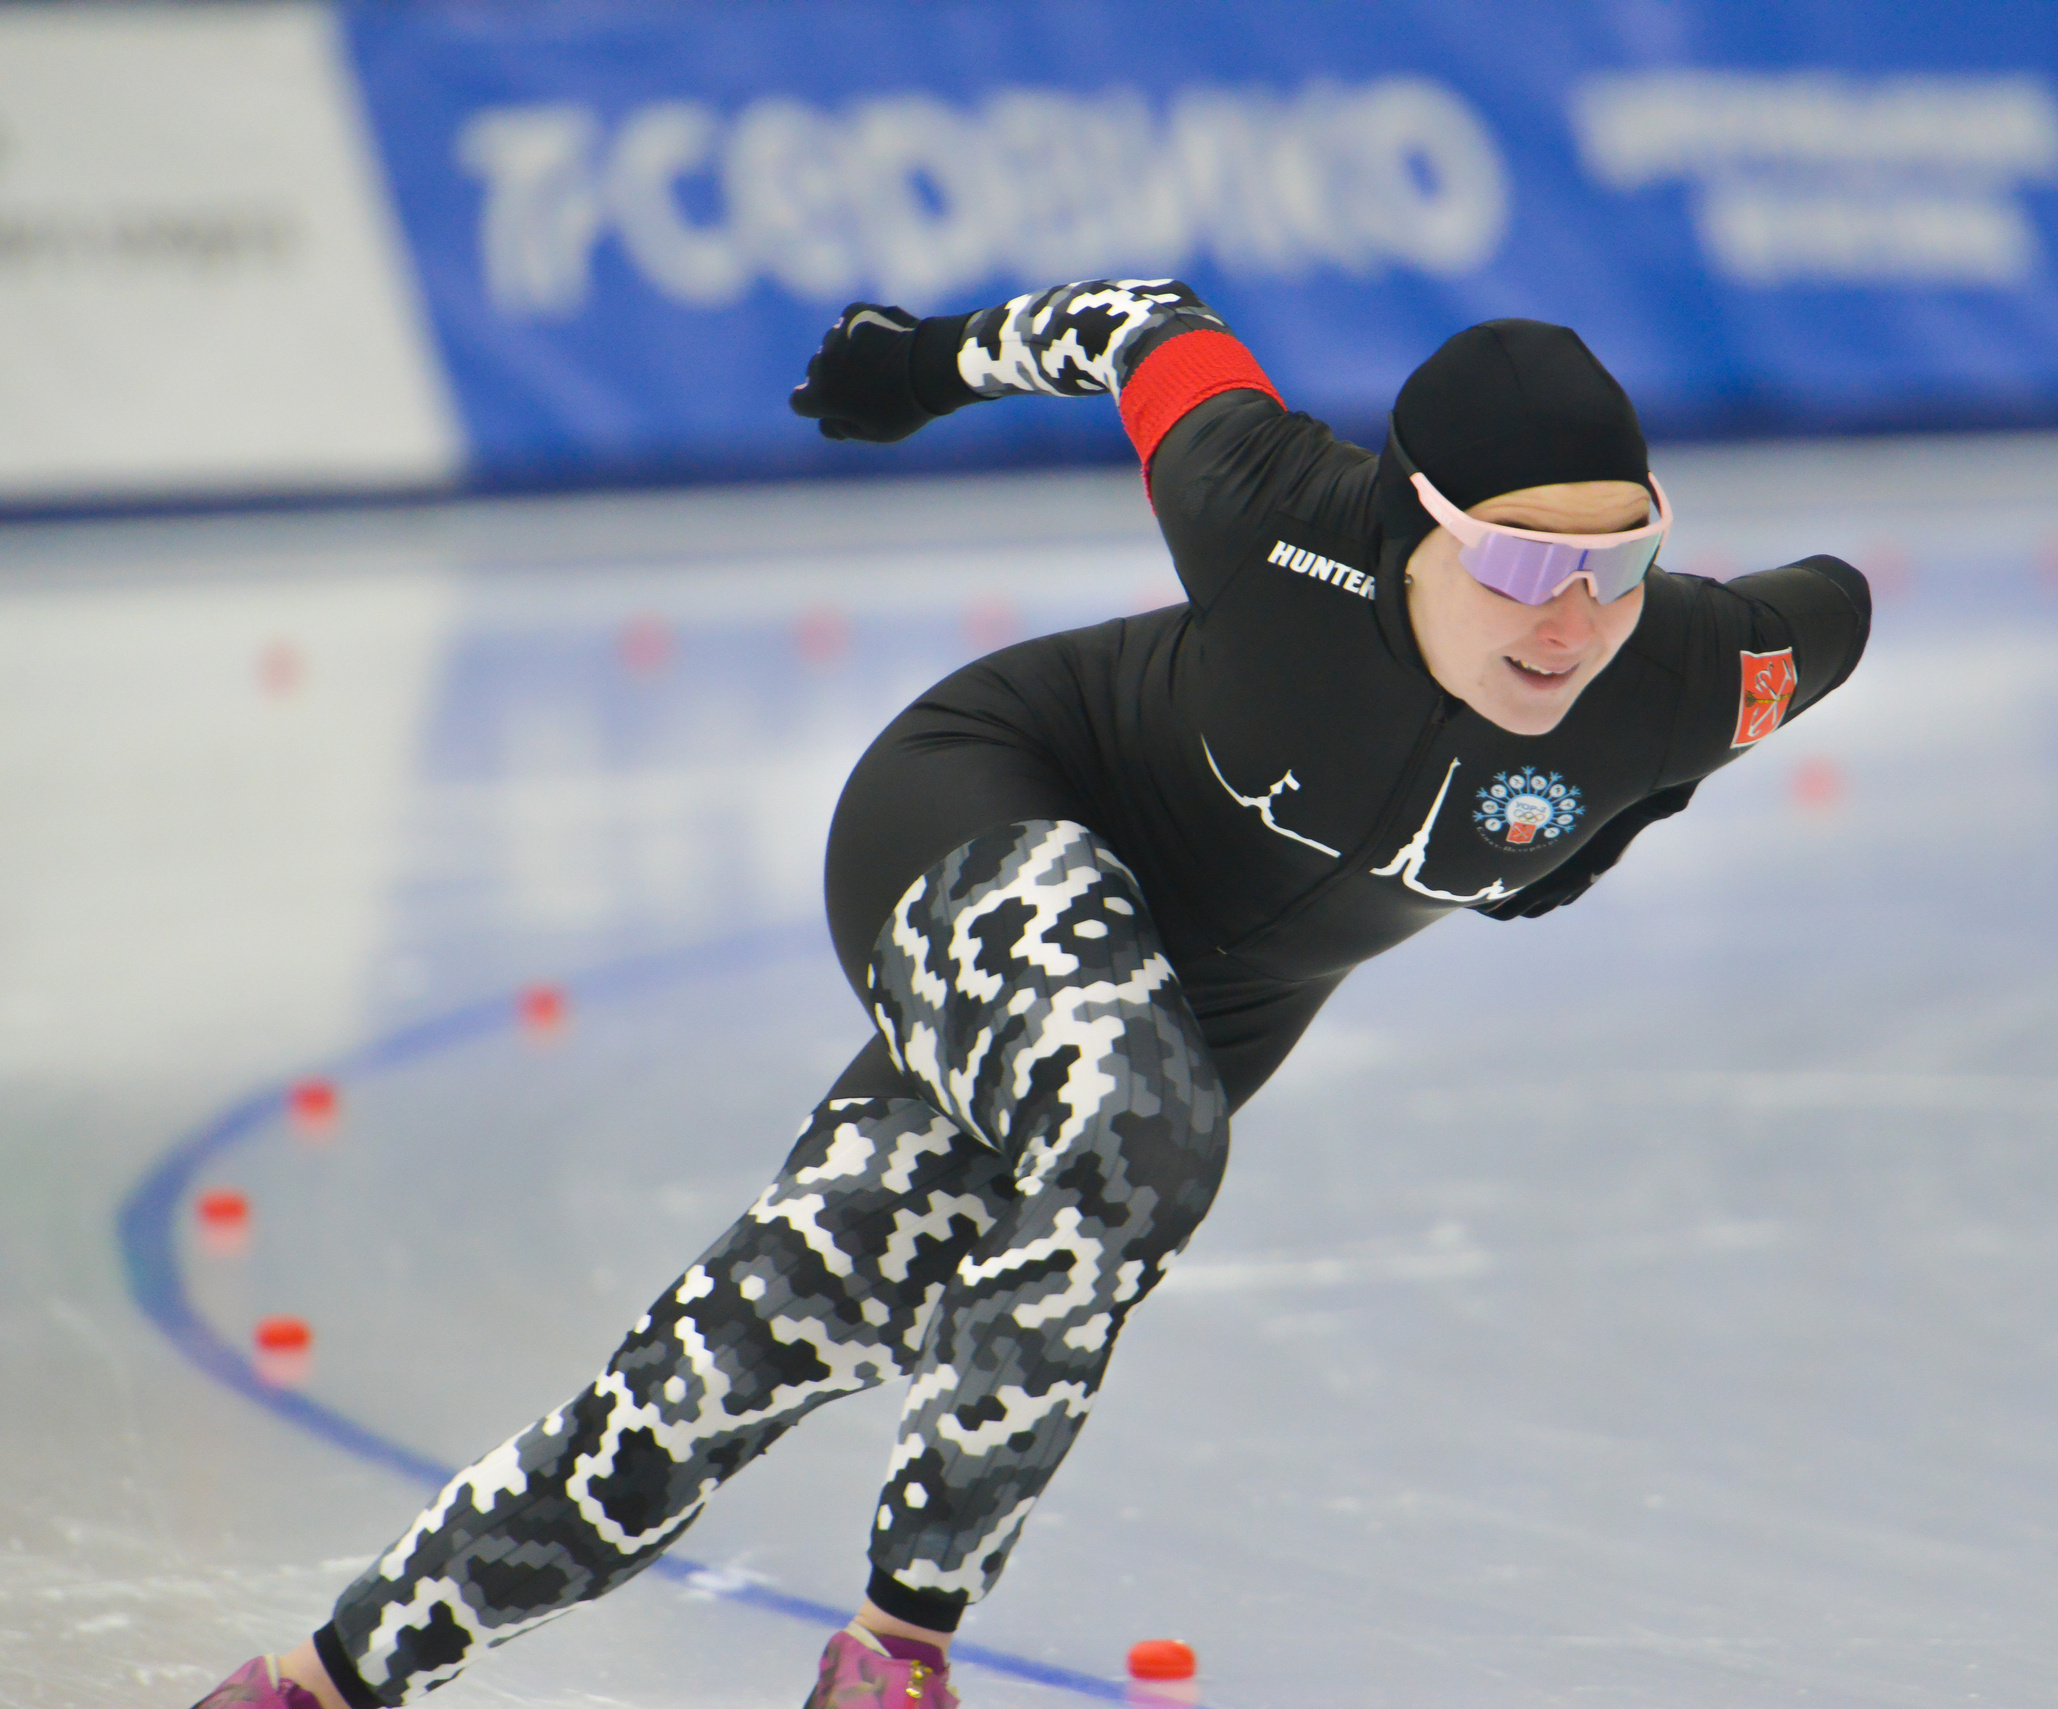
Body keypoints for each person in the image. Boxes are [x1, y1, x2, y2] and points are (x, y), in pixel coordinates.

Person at [192, 278, 1868, 1709]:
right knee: (1143, 1126)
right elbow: (1145, 320)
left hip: (1188, 1011)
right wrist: (923, 368)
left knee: (763, 1335)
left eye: (1616, 560)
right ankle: (898, 1651)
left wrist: (1637, 798)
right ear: (1406, 522)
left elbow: (1838, 614)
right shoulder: (1272, 508)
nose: (1568, 618)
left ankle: (323, 1679)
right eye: (1513, 566)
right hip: (989, 808)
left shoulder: (1684, 671)